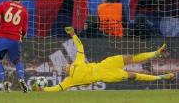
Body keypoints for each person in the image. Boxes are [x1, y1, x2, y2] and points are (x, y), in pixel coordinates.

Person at [33, 27, 174, 92]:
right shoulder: (70, 80)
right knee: (133, 76)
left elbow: (80, 46)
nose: (64, 67)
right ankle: (161, 77)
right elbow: (57, 88)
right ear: (64, 73)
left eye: (64, 66)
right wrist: (43, 90)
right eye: (63, 69)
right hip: (105, 75)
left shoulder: (78, 61)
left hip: (106, 63)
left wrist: (73, 34)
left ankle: (156, 53)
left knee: (130, 58)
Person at [0, 0, 28, 92]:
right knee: (18, 61)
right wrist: (22, 36)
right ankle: (21, 78)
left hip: (1, 38)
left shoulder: (3, 5)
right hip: (15, 39)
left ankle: (4, 81)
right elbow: (24, 29)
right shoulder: (23, 10)